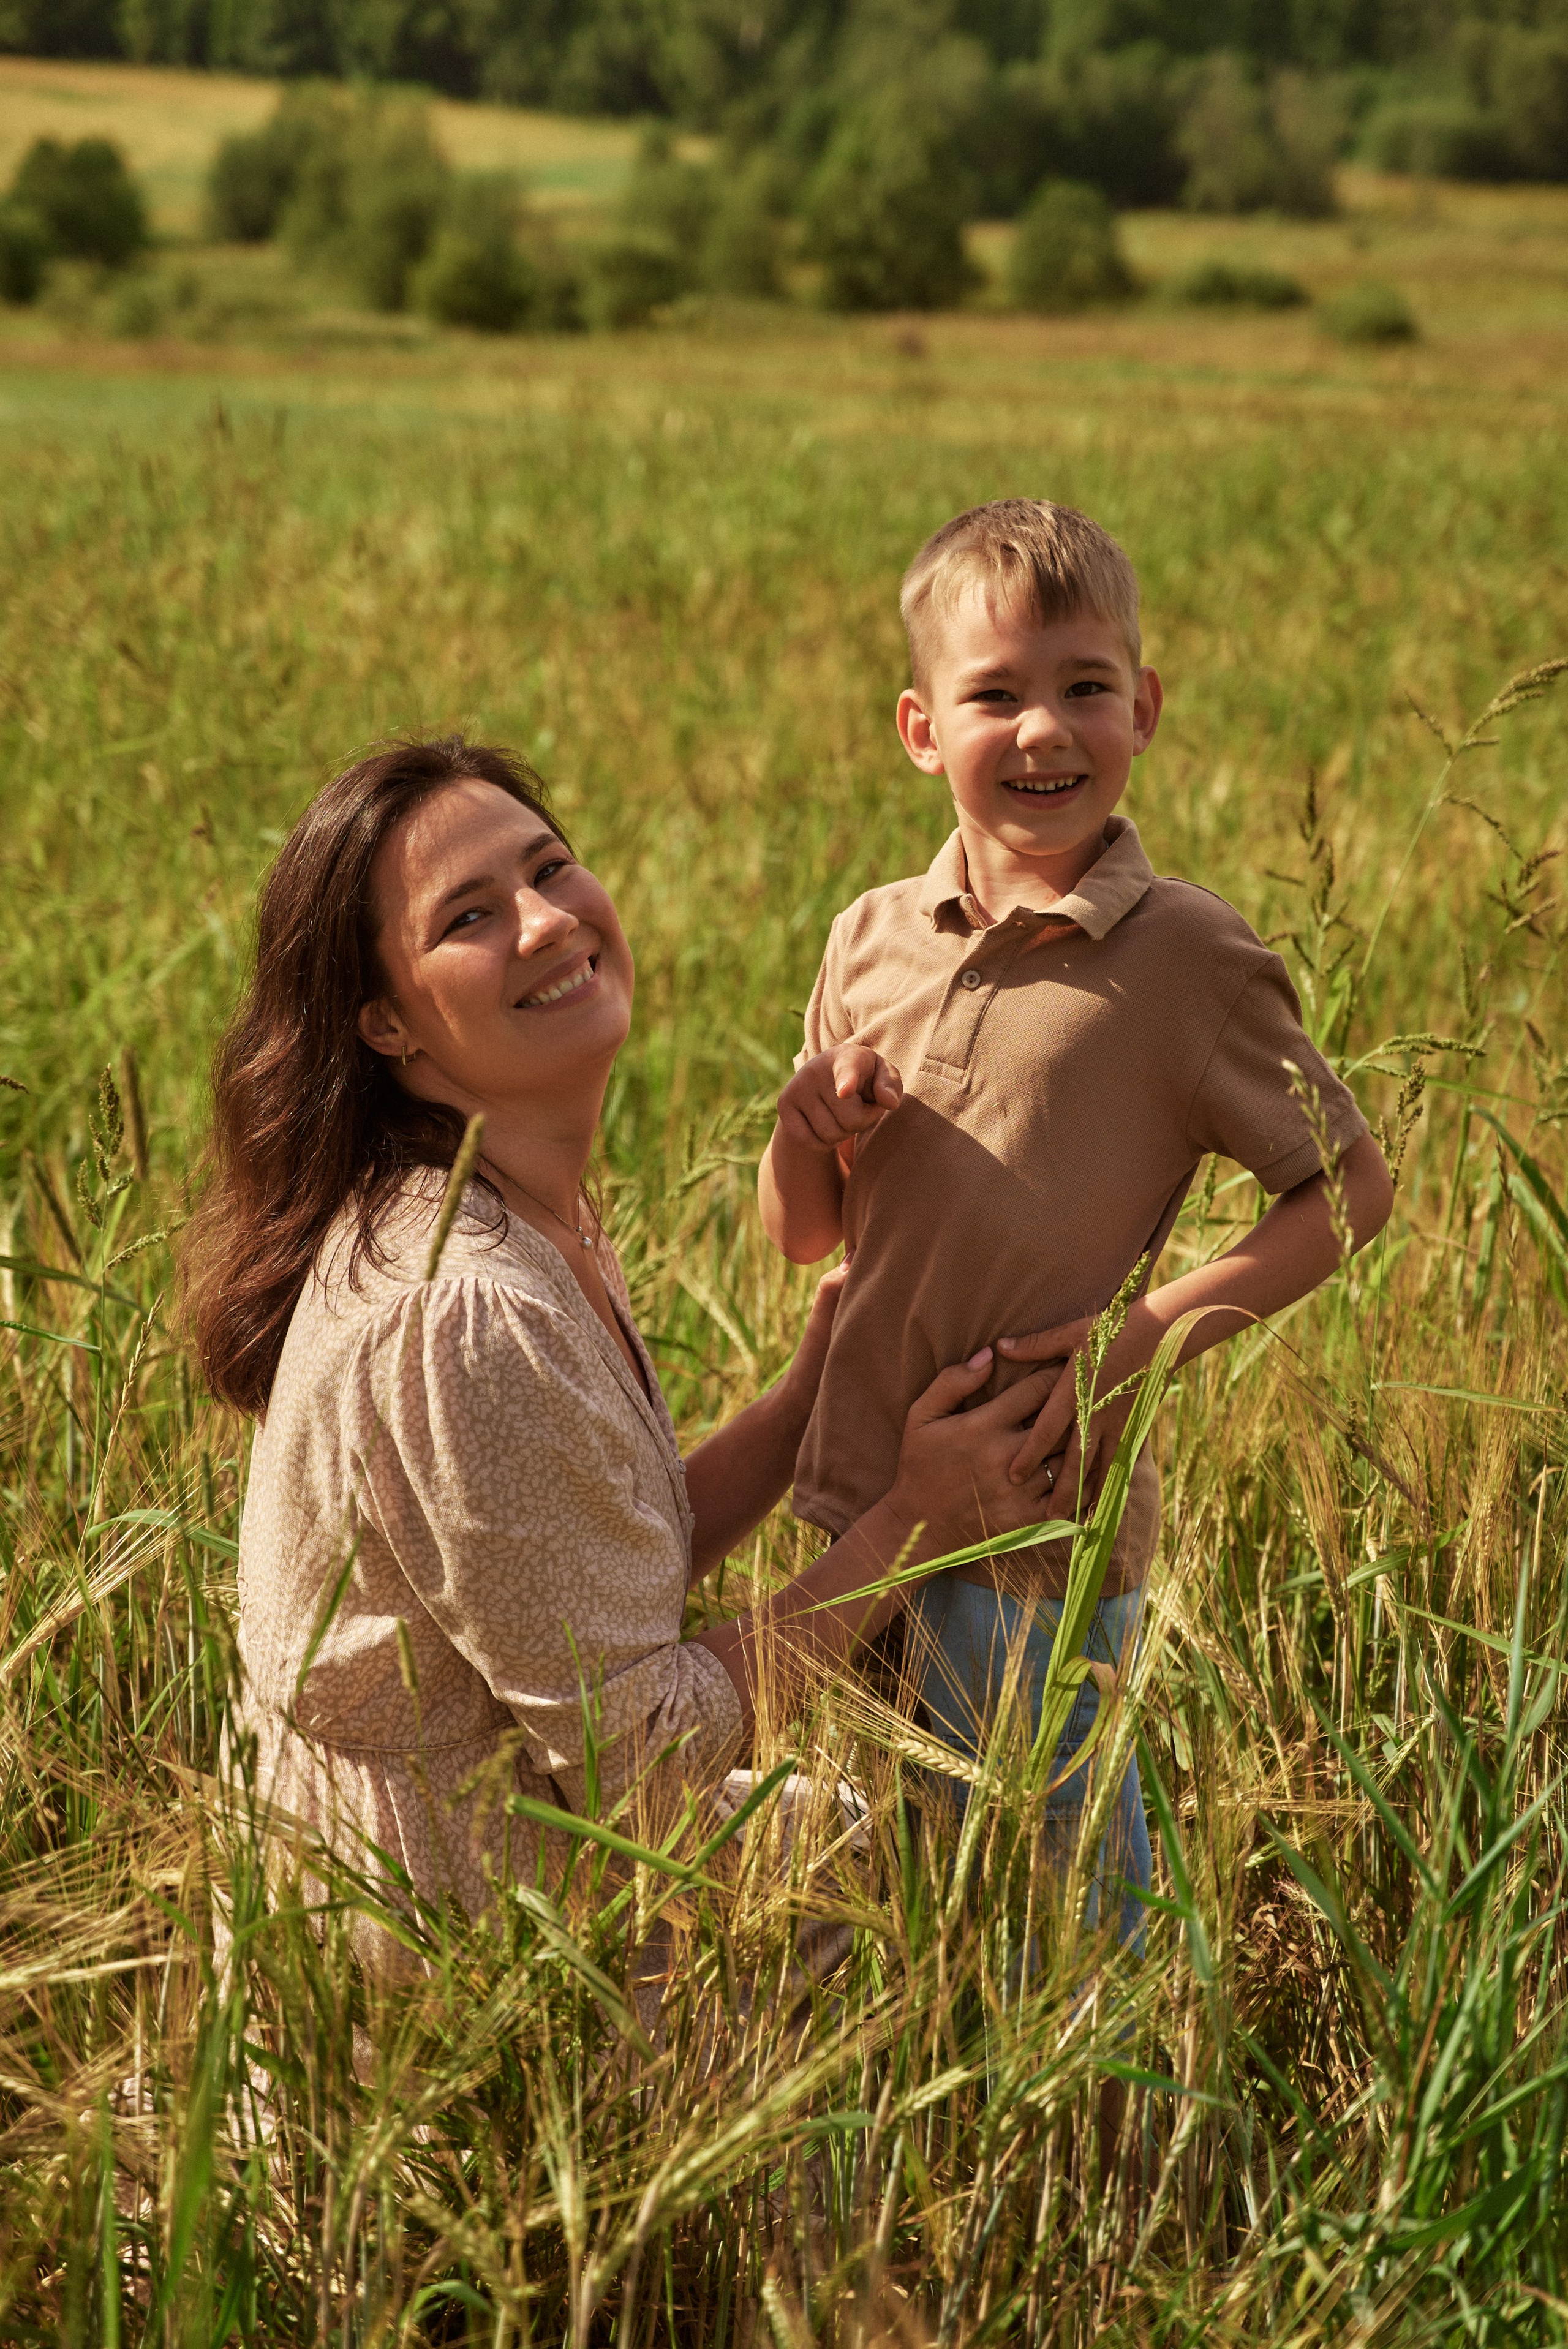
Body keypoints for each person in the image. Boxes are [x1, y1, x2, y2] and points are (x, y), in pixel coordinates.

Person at [184, 737, 1064, 1985]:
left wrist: (800, 1402)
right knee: (930, 1898)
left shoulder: (506, 1208)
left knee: (895, 1858)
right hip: (467, 1956)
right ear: (383, 1021)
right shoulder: (460, 1311)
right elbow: (640, 1762)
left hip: (511, 1855)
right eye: (471, 916)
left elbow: (572, 1576)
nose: (548, 922)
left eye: (550, 868)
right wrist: (916, 1521)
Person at [759, 498, 1395, 1945]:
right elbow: (807, 1237)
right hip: (854, 1504)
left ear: (1142, 708)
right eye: (995, 694)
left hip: (1032, 1522)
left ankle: (1138, 2148)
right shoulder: (870, 935)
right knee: (887, 1893)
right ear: (920, 728)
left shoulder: (1190, 959)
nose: (1043, 730)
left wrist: (1149, 1337)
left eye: (1082, 688)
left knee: (1066, 1900)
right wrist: (805, 1130)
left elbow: (1350, 1187)